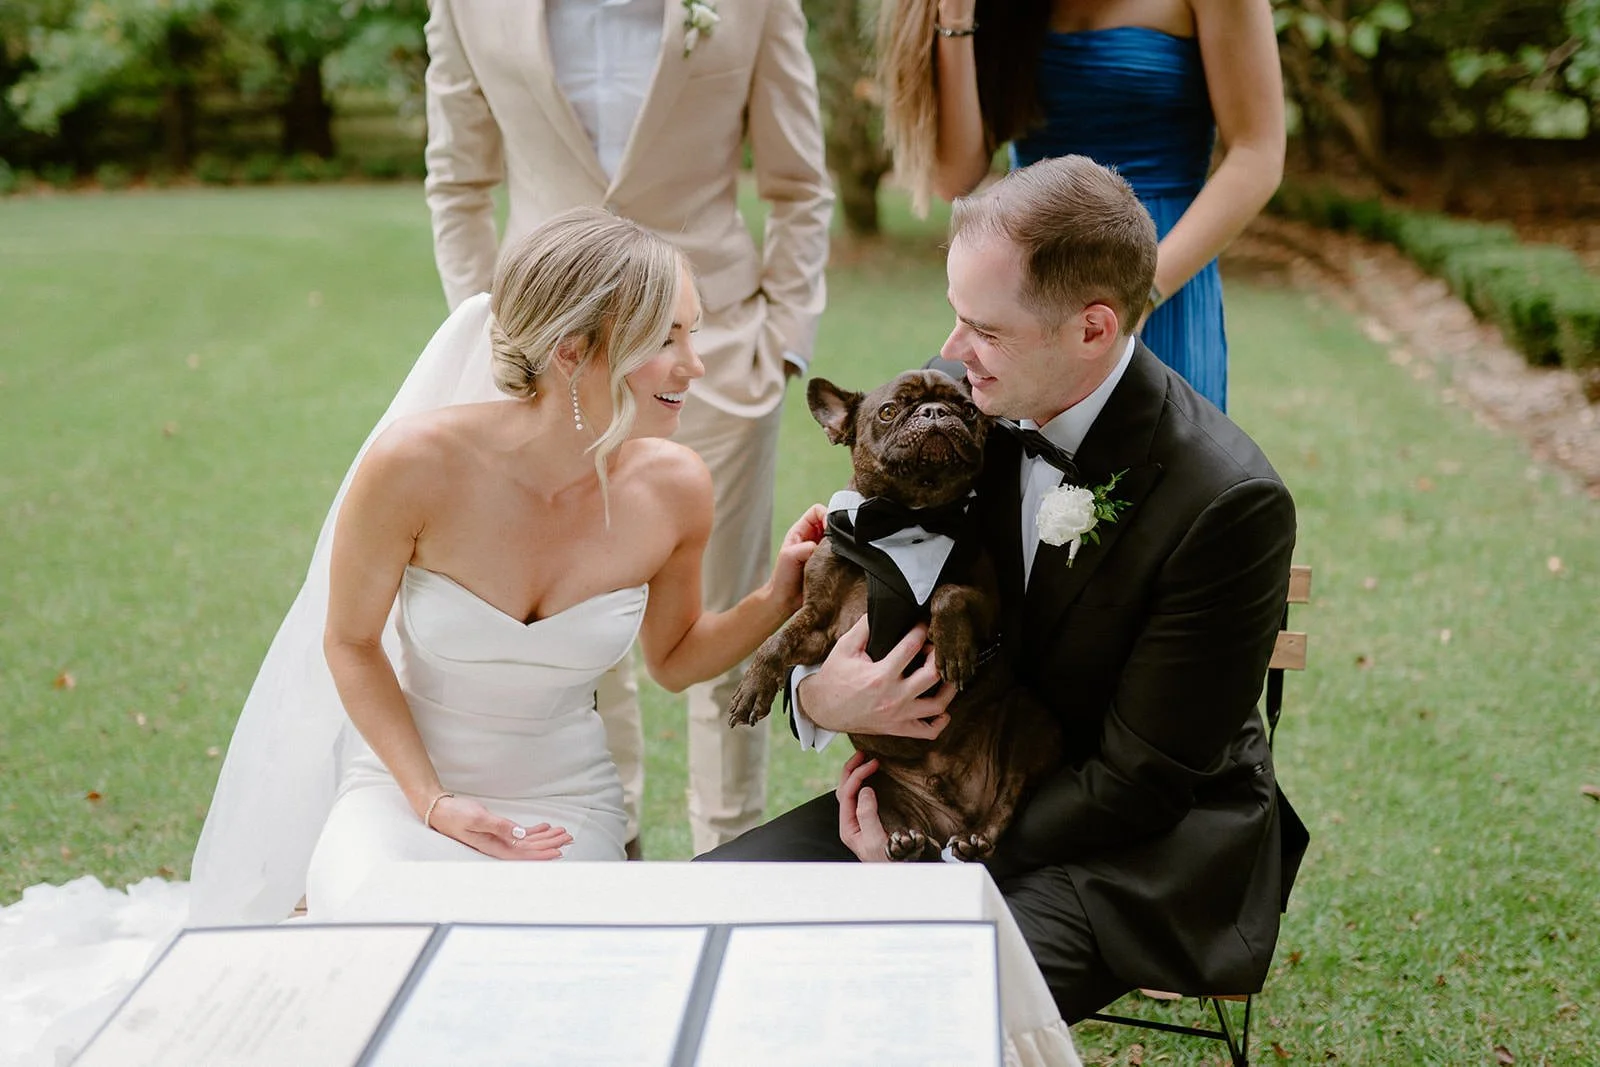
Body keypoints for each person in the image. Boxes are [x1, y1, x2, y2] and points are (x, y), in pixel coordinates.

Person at [703, 156, 1310, 1023]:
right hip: (934, 792)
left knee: (897, 1003)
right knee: (713, 911)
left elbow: (1138, 782)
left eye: (980, 326)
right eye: (955, 317)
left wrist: (933, 861)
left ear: (1092, 329)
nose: (951, 352)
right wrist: (822, 696)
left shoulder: (1225, 502)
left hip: (1121, 852)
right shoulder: (961, 399)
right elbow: (856, 580)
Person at [190, 209, 823, 925]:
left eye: (693, 331)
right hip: (403, 793)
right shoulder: (412, 467)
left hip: (565, 804)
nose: (695, 363)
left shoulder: (676, 489)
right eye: (665, 338)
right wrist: (433, 801)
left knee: (545, 947)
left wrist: (777, 596)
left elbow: (674, 661)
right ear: (572, 351)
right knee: (385, 924)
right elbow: (351, 643)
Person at [423, 0, 834, 855]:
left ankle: (730, 852)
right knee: (576, 625)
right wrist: (491, 339)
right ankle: (607, 848)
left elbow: (799, 185)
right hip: (555, 365)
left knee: (721, 612)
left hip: (712, 359)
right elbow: (459, 181)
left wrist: (781, 344)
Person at [877, 0, 1285, 411]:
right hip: (1030, 273)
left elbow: (1257, 156)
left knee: (1164, 458)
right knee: (1034, 462)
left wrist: (1143, 293)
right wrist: (956, 19)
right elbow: (956, 177)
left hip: (1164, 267)